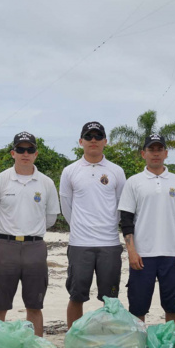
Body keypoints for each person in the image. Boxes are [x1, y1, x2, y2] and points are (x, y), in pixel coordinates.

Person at [0, 131, 59, 336]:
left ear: (36, 153)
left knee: (35, 305)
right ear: (13, 153)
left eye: (29, 149)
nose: (25, 153)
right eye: (20, 149)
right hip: (5, 247)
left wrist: (30, 232)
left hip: (35, 247)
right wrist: (9, 232)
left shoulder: (46, 183)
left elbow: (50, 218)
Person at [118, 134, 175, 324]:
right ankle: (140, 342)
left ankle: (172, 341)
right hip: (142, 255)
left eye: (159, 149)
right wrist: (131, 251)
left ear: (166, 153)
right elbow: (126, 220)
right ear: (143, 153)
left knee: (174, 307)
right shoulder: (133, 182)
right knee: (138, 307)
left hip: (173, 255)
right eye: (151, 149)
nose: (155, 153)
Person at [59, 121, 126, 328]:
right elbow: (66, 206)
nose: (93, 140)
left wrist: (108, 226)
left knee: (110, 299)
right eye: (89, 136)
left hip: (109, 243)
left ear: (105, 141)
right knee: (76, 296)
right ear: (81, 141)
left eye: (98, 136)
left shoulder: (116, 171)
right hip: (80, 243)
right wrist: (80, 227)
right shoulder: (70, 171)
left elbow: (121, 205)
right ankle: (74, 338)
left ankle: (108, 340)